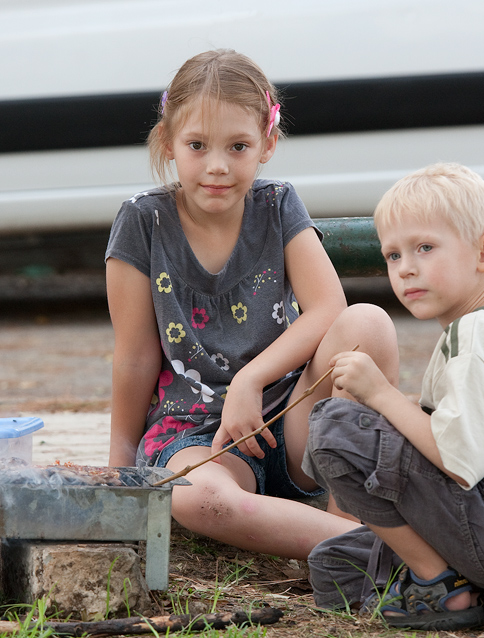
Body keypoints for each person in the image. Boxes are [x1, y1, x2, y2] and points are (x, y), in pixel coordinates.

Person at [105, 49, 399, 559]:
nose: (217, 166)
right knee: (195, 497)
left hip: (290, 420)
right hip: (198, 438)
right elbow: (134, 357)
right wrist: (118, 471)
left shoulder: (277, 204)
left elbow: (329, 308)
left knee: (367, 324)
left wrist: (250, 379)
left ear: (267, 143)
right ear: (169, 142)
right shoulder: (142, 223)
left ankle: (344, 513)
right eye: (198, 145)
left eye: (237, 146)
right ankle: (357, 551)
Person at [302, 162, 484, 631]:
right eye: (393, 255)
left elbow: (457, 461)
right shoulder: (471, 331)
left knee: (335, 425)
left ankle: (440, 586)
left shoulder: (483, 335)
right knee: (334, 563)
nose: (407, 268)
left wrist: (380, 394)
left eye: (424, 247)